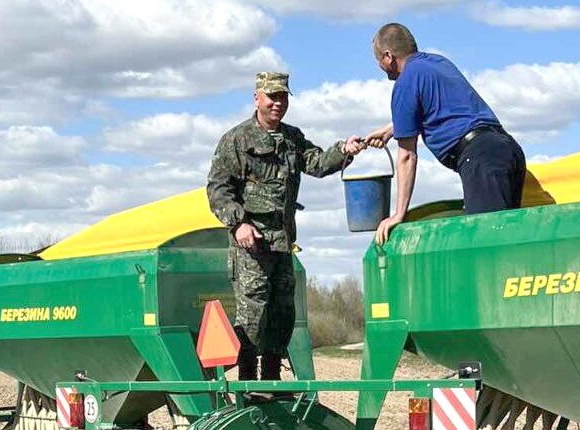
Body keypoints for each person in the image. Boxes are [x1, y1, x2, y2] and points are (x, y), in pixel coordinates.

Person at [207, 71, 365, 381]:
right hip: (251, 247)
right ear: (257, 98)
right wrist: (239, 224)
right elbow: (217, 190)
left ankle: (271, 380)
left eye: (283, 97)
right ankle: (248, 381)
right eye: (272, 97)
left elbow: (317, 163)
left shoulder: (292, 138)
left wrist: (344, 150)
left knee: (282, 315)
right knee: (253, 315)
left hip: (282, 244)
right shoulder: (236, 140)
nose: (278, 103)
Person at [362, 23, 526, 244]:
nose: (379, 67)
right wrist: (392, 129)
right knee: (509, 240)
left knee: (488, 245)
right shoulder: (437, 63)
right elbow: (443, 108)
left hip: (480, 160)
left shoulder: (405, 82)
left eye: (378, 60)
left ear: (388, 56)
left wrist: (398, 214)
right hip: (507, 151)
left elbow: (407, 156)